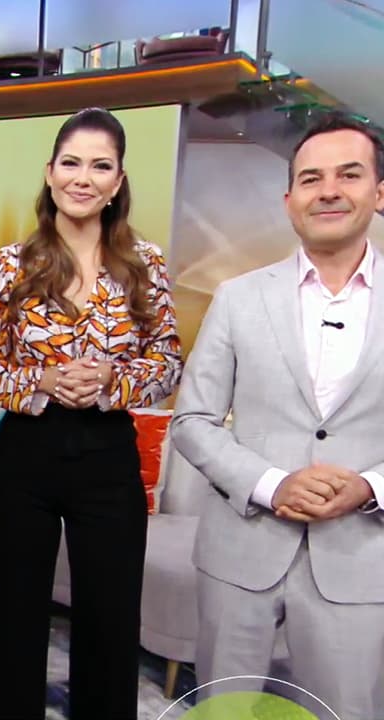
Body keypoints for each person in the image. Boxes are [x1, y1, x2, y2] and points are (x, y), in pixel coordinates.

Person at [171, 111, 384, 719]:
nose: (329, 190)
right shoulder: (238, 297)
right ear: (290, 201)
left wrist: (369, 486)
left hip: (360, 559)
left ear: (378, 192)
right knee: (226, 709)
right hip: (240, 554)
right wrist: (272, 484)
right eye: (311, 178)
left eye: (349, 174)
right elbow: (193, 421)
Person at [0, 107, 182, 719]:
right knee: (15, 620)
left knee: (110, 624)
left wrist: (113, 379)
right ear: (50, 172)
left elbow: (168, 362)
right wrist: (40, 380)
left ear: (118, 181)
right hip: (25, 454)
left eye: (100, 166)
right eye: (71, 163)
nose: (82, 178)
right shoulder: (9, 265)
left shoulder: (146, 263)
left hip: (107, 455)